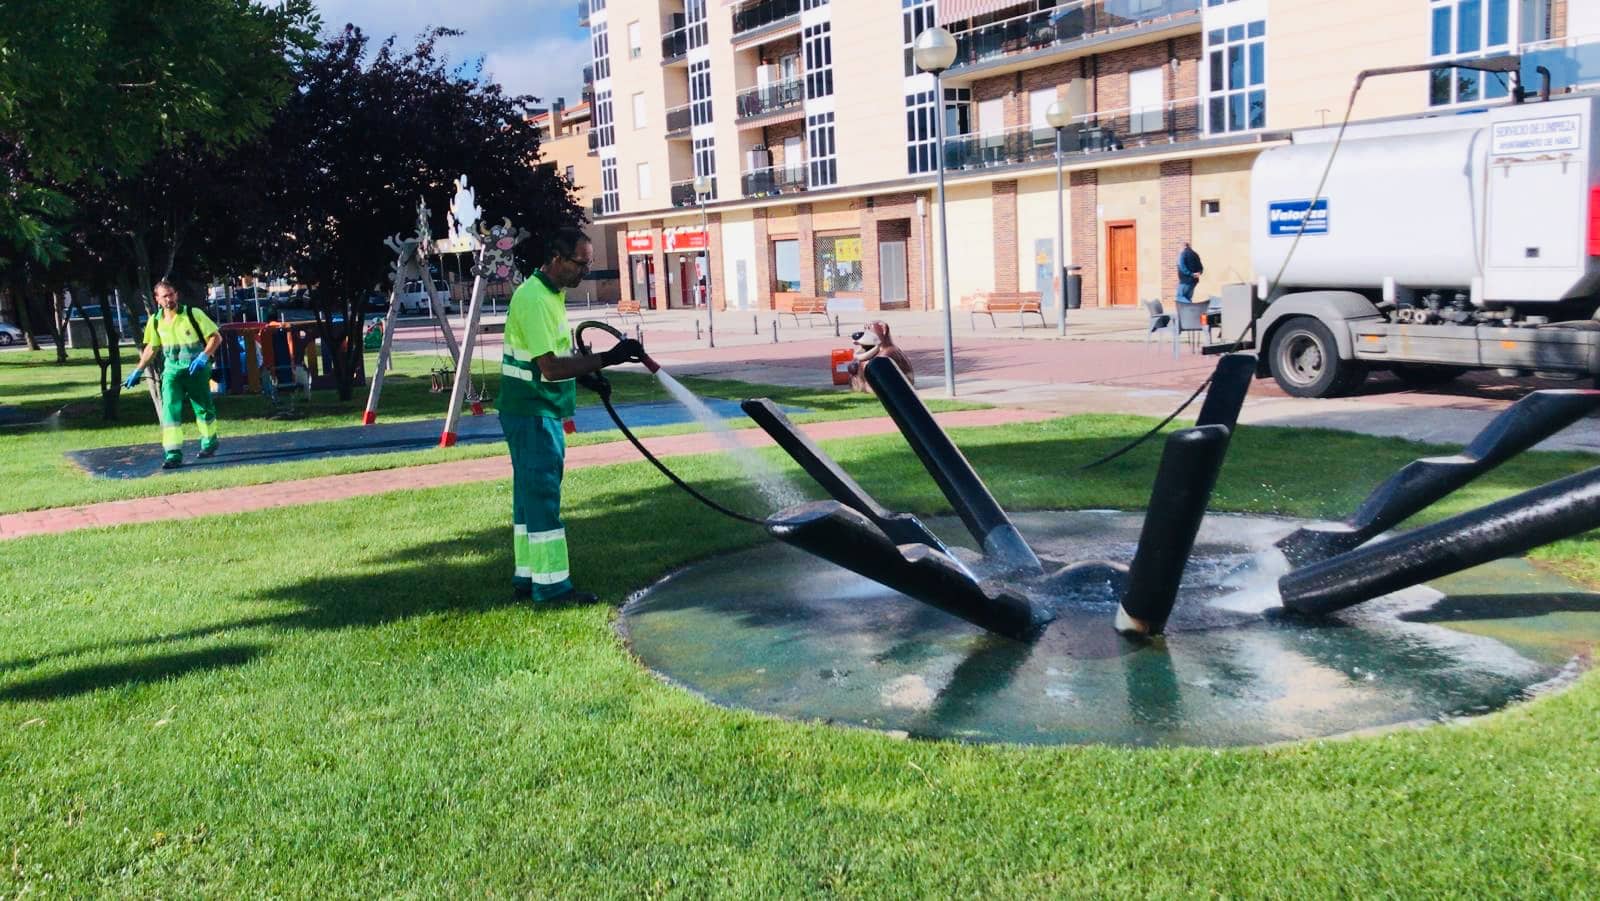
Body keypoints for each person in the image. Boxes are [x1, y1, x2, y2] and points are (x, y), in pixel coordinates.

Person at [499, 227, 643, 603]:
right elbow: (548, 368)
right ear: (556, 258)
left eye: (589, 264)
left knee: (529, 500)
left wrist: (588, 378)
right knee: (543, 497)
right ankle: (552, 588)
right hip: (532, 412)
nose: (585, 272)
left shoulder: (550, 295)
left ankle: (528, 578)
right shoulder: (533, 299)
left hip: (534, 409)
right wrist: (608, 359)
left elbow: (555, 360)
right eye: (580, 264)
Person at [124, 279, 222, 469]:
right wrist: (138, 370)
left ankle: (209, 443)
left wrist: (203, 357)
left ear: (176, 294)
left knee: (203, 408)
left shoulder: (193, 314)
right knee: (169, 410)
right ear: (157, 299)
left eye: (171, 294)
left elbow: (216, 337)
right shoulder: (155, 321)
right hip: (172, 372)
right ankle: (173, 454)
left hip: (196, 370)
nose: (169, 299)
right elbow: (152, 347)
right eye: (164, 296)